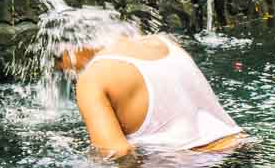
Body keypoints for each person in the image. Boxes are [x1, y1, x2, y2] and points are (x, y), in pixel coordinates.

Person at [52, 14, 245, 159]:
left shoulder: (93, 77)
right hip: (240, 150)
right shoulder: (163, 42)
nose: (71, 75)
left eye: (63, 68)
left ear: (68, 52)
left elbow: (116, 153)